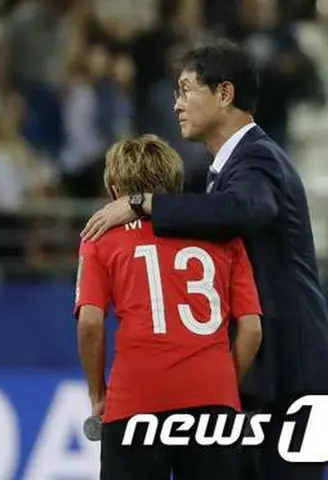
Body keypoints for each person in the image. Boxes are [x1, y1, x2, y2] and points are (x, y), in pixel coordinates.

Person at [81, 39, 328, 480]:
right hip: (267, 374)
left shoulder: (258, 159)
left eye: (186, 90)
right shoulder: (227, 169)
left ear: (225, 93)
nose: (177, 105)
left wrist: (141, 203)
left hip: (290, 374)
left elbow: (244, 209)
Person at [76, 134, 263, 480]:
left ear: (115, 190)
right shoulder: (223, 236)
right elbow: (251, 328)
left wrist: (97, 393)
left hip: (135, 400)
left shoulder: (100, 237)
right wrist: (221, 382)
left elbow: (90, 323)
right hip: (212, 399)